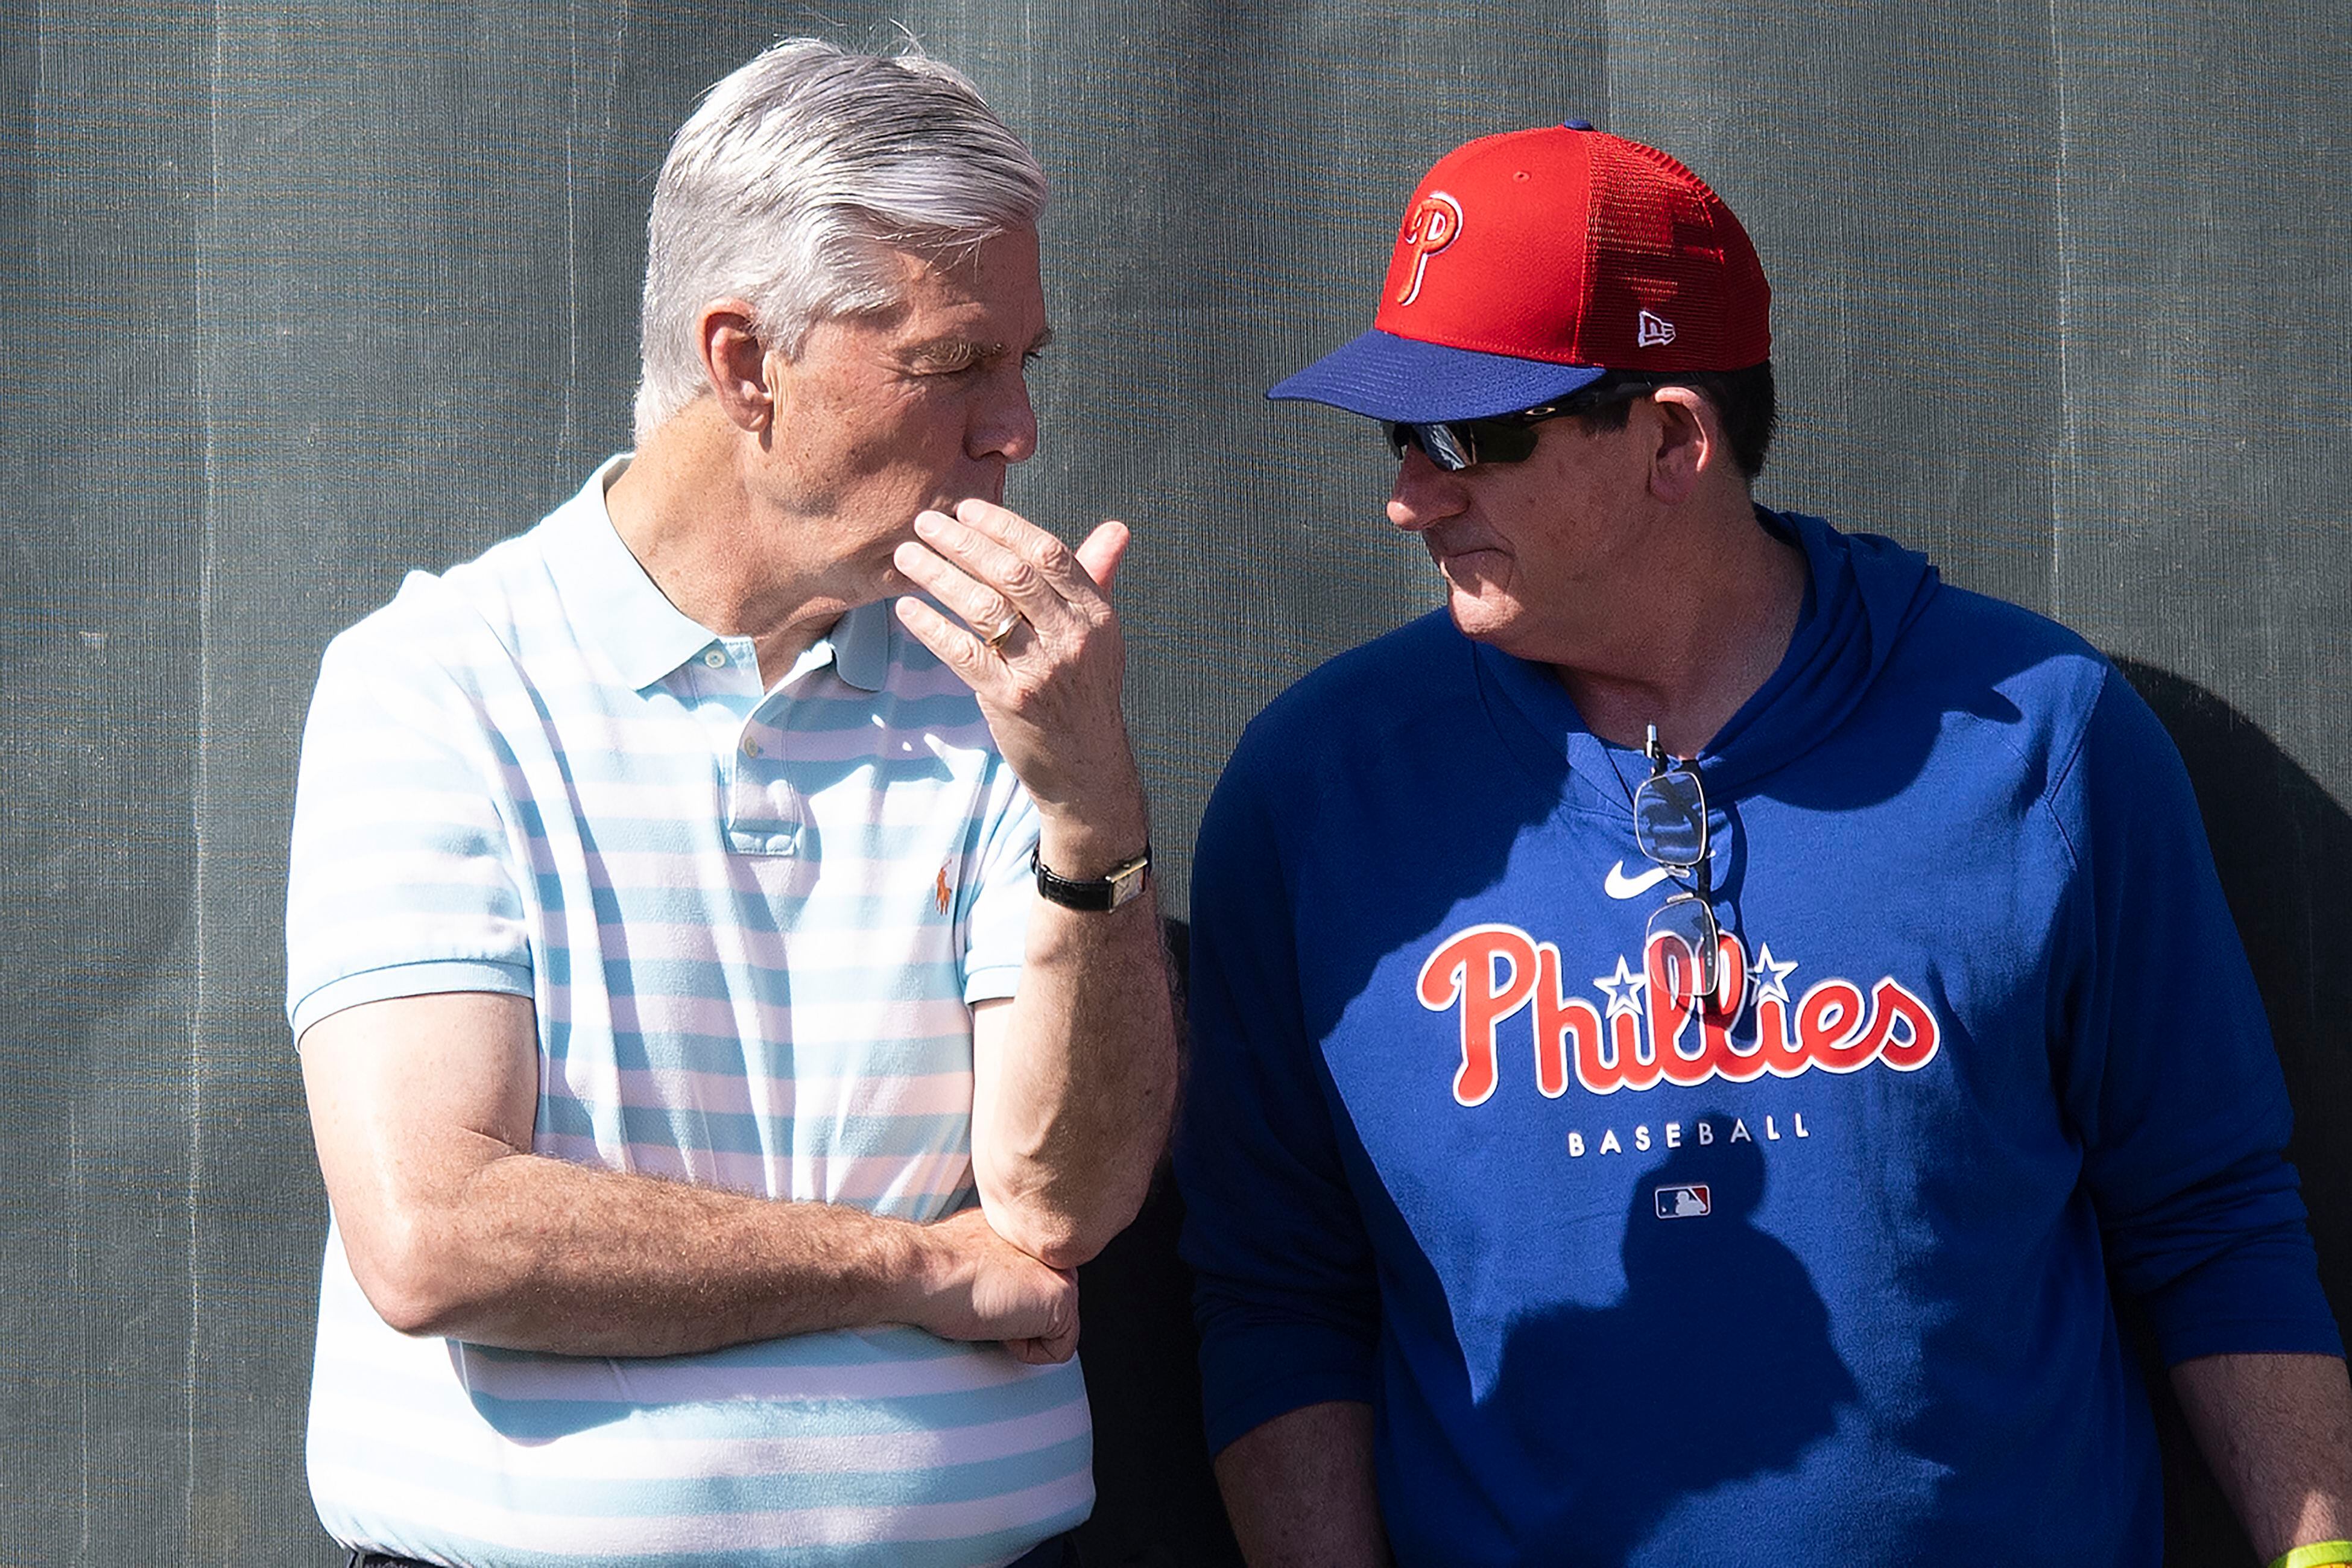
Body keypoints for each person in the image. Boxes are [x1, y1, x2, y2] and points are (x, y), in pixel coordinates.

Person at [1174, 121, 2352, 1567]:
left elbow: (2212, 1219)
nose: (1411, 494)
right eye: (1399, 436)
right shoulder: (1320, 790)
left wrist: (2319, 1551)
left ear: (1675, 435)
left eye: (1471, 435)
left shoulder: (2038, 740)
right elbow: (1277, 1294)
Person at [285, 39, 1175, 1568]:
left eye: (1029, 361)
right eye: (958, 363)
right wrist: (908, 1268)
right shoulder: (436, 682)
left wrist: (1092, 813)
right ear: (744, 362)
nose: (1016, 427)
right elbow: (437, 1233)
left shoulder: (1008, 704)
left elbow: (1056, 1206)